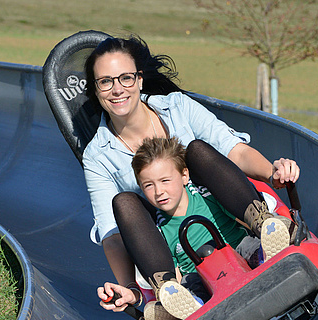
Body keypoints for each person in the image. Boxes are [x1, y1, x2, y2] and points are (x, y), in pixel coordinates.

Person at [81, 35, 300, 318]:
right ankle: (171, 293)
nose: (117, 89)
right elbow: (112, 234)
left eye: (125, 78)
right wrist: (129, 290)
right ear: (96, 90)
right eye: (106, 81)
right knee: (124, 201)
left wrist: (273, 173)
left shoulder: (177, 108)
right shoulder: (98, 156)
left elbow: (233, 150)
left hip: (224, 215)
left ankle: (266, 228)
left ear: (139, 80)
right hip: (171, 247)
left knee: (195, 149)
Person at [130, 137, 293, 318]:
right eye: (149, 186)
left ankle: (267, 254)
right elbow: (175, 275)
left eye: (165, 181)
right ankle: (189, 307)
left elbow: (240, 216)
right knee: (189, 284)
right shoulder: (160, 230)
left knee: (248, 245)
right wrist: (173, 293)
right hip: (201, 277)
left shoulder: (206, 195)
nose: (159, 191)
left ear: (184, 176)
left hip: (236, 252)